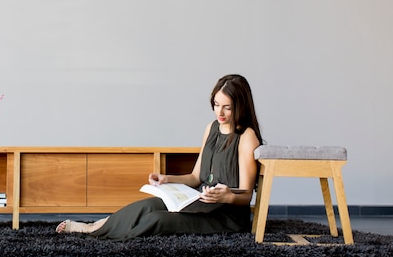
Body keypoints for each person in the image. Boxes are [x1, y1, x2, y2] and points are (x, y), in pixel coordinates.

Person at [56, 74, 263, 240]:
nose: (220, 112)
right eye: (216, 104)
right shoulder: (211, 128)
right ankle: (91, 228)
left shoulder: (246, 137)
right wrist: (167, 179)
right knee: (145, 206)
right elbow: (195, 177)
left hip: (226, 217)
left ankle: (108, 238)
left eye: (227, 107)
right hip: (199, 202)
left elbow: (246, 196)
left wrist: (226, 196)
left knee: (157, 219)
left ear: (240, 106)